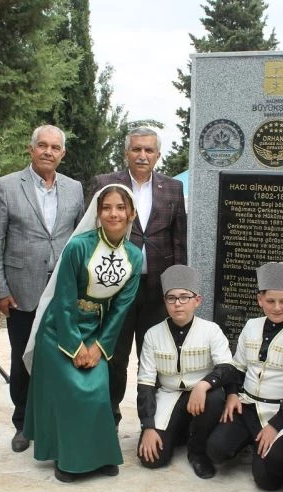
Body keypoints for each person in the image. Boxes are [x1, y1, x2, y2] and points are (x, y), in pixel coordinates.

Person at [23, 184, 141, 482]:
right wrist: (74, 345)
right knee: (71, 391)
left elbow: (121, 308)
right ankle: (67, 458)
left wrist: (99, 346)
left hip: (96, 331)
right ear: (97, 213)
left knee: (98, 391)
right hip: (59, 329)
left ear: (131, 214)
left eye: (120, 208)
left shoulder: (135, 256)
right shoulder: (78, 246)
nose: (113, 214)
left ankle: (99, 456)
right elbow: (63, 298)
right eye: (106, 208)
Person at [0, 125, 84, 453]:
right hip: (21, 291)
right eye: (42, 145)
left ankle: (55, 419)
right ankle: (23, 423)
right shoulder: (7, 186)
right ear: (31, 150)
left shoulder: (74, 189)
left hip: (63, 289)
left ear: (62, 154)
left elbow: (82, 238)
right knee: (23, 359)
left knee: (61, 357)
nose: (48, 152)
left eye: (55, 147)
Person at [92, 127, 187, 426]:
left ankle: (152, 423)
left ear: (158, 155)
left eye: (148, 150)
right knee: (114, 356)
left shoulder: (173, 188)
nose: (142, 155)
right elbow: (92, 236)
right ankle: (108, 419)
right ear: (126, 153)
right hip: (116, 289)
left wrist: (176, 289)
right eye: (136, 149)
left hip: (157, 290)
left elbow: (179, 240)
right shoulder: (105, 184)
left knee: (154, 357)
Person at [206, 262, 283, 490]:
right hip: (247, 406)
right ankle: (249, 440)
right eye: (270, 301)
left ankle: (267, 447)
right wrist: (232, 394)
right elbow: (238, 368)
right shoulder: (251, 326)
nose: (277, 308)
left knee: (267, 480)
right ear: (260, 300)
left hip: (281, 412)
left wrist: (275, 425)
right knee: (216, 450)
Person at [136, 264, 236, 479]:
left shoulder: (211, 330)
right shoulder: (153, 334)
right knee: (151, 459)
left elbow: (227, 368)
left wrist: (203, 385)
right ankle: (179, 432)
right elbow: (145, 383)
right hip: (168, 395)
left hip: (203, 397)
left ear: (197, 300)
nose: (177, 304)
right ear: (165, 301)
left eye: (184, 297)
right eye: (171, 298)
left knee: (214, 397)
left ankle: (197, 452)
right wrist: (148, 427)